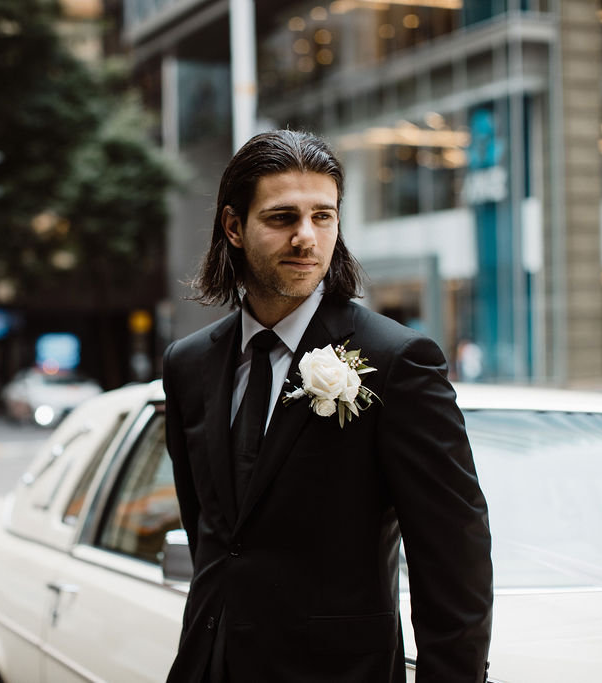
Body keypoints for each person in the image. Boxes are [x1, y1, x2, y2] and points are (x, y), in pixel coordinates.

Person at [162, 130, 493, 682]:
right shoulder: (188, 364)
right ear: (233, 227)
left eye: (323, 216)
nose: (306, 238)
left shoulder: (397, 361)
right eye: (282, 218)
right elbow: (211, 533)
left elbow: (453, 556)